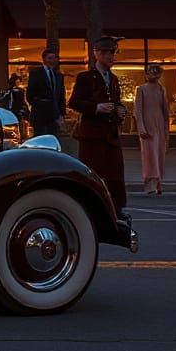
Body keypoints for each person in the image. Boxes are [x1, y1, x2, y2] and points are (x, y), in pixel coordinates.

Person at [69, 36, 128, 216]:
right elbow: (74, 102)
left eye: (113, 53)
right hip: (92, 134)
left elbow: (116, 101)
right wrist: (96, 108)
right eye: (107, 53)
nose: (111, 57)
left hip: (111, 134)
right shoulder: (85, 77)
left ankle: (117, 208)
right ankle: (88, 207)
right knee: (92, 172)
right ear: (98, 54)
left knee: (115, 173)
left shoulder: (114, 79)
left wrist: (120, 110)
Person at [134, 63, 169, 195]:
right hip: (147, 126)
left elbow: (165, 110)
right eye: (149, 72)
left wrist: (166, 129)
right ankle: (149, 184)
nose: (151, 75)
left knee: (159, 155)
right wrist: (141, 127)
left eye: (155, 73)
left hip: (159, 126)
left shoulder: (161, 89)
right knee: (149, 155)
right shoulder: (141, 89)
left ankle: (159, 183)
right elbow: (138, 110)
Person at [26, 47, 66, 136]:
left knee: (53, 139)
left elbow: (61, 96)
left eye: (54, 58)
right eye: (50, 58)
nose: (53, 60)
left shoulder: (58, 76)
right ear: (44, 59)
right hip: (40, 116)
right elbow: (30, 95)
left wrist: (62, 114)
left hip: (54, 117)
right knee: (41, 139)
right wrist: (41, 103)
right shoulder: (36, 74)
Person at [0, 74, 29, 140]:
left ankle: (20, 137)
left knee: (18, 125)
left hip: (15, 111)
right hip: (14, 111)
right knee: (17, 126)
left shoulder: (12, 91)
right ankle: (19, 137)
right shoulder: (13, 91)